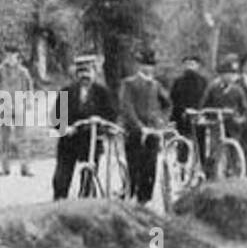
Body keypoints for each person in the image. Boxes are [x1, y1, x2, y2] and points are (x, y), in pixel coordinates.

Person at [53, 55, 117, 200]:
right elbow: (57, 117)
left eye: (88, 72)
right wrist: (65, 128)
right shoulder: (66, 92)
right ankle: (58, 204)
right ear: (76, 75)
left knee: (88, 177)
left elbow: (111, 114)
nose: (85, 76)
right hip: (69, 141)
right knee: (61, 179)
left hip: (91, 140)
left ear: (94, 73)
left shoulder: (102, 92)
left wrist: (101, 121)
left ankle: (84, 203)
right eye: (81, 72)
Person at [118, 47, 171, 205]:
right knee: (135, 166)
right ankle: (131, 194)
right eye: (145, 64)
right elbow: (127, 108)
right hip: (135, 132)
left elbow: (167, 105)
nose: (148, 68)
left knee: (150, 166)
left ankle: (144, 201)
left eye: (151, 65)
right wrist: (139, 126)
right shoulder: (129, 84)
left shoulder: (156, 85)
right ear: (139, 65)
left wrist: (162, 121)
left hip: (153, 132)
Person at [0, 45, 34, 177]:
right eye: (7, 55)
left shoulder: (23, 71)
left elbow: (29, 87)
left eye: (13, 55)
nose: (10, 58)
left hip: (19, 105)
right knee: (4, 139)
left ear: (17, 56)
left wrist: (29, 101)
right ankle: (4, 168)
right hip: (4, 106)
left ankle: (25, 168)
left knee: (22, 138)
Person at [201, 54, 247, 178]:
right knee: (215, 150)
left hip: (233, 125)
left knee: (234, 152)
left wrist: (240, 120)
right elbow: (204, 105)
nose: (228, 77)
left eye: (231, 74)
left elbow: (245, 109)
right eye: (226, 74)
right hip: (217, 124)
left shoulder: (237, 90)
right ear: (221, 75)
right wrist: (207, 116)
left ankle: (234, 174)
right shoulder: (213, 88)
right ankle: (211, 175)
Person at [169, 53, 209, 138]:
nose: (189, 67)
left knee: (199, 143)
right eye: (187, 64)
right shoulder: (178, 81)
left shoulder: (203, 82)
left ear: (198, 66)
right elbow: (173, 98)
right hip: (181, 117)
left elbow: (206, 99)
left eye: (192, 64)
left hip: (197, 116)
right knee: (182, 142)